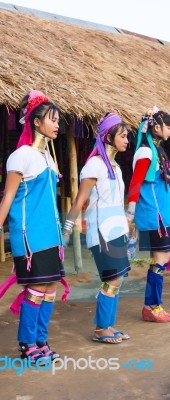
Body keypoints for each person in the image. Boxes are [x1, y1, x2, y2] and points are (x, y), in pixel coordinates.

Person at [0, 90, 66, 363]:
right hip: (30, 235)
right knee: (37, 289)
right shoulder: (21, 156)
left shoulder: (48, 158)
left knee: (51, 288)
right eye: (52, 119)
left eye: (58, 120)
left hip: (50, 234)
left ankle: (41, 339)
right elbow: (8, 196)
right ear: (36, 122)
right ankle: (27, 343)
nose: (56, 124)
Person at [63, 112, 130, 344]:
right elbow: (80, 199)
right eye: (122, 136)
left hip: (117, 230)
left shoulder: (116, 168)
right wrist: (68, 227)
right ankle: (101, 329)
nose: (126, 140)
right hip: (101, 232)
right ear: (108, 137)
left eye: (127, 136)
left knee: (118, 279)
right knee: (112, 279)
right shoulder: (94, 165)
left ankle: (109, 325)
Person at [127, 107, 170, 322]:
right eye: (167, 125)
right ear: (156, 126)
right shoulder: (146, 151)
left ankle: (153, 305)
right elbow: (135, 182)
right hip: (155, 215)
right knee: (161, 258)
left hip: (163, 213)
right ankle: (152, 306)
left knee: (162, 258)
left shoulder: (156, 148)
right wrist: (130, 213)